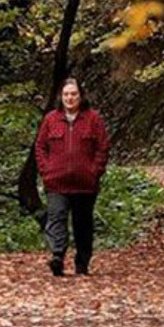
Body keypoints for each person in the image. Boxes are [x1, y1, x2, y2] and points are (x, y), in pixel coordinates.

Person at [34, 77, 111, 277]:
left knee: (82, 224)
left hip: (85, 183)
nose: (70, 98)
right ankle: (57, 256)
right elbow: (40, 147)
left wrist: (95, 171)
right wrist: (46, 170)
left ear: (81, 96)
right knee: (56, 218)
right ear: (61, 96)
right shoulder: (51, 119)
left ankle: (82, 263)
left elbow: (102, 147)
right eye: (66, 94)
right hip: (56, 182)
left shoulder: (93, 119)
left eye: (74, 94)